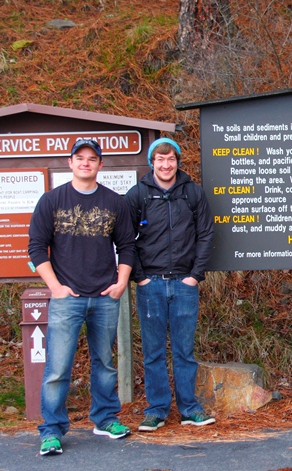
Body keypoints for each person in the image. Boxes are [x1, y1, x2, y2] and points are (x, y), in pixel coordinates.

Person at [28, 139, 136, 456]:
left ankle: (104, 419)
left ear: (100, 164)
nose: (86, 163)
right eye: (80, 158)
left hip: (105, 296)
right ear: (70, 162)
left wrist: (120, 283)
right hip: (67, 299)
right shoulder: (51, 201)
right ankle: (51, 431)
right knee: (58, 367)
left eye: (92, 158)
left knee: (104, 364)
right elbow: (36, 247)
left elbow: (128, 246)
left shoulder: (115, 202)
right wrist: (56, 287)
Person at [125, 138, 215, 432]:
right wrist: (140, 276)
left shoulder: (192, 193)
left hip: (184, 284)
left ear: (178, 161)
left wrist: (194, 276)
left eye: (171, 159)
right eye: (160, 160)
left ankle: (189, 408)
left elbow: (205, 235)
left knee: (184, 351)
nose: (166, 165)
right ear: (152, 162)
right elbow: (125, 240)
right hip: (150, 284)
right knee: (152, 352)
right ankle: (156, 410)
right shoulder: (138, 195)